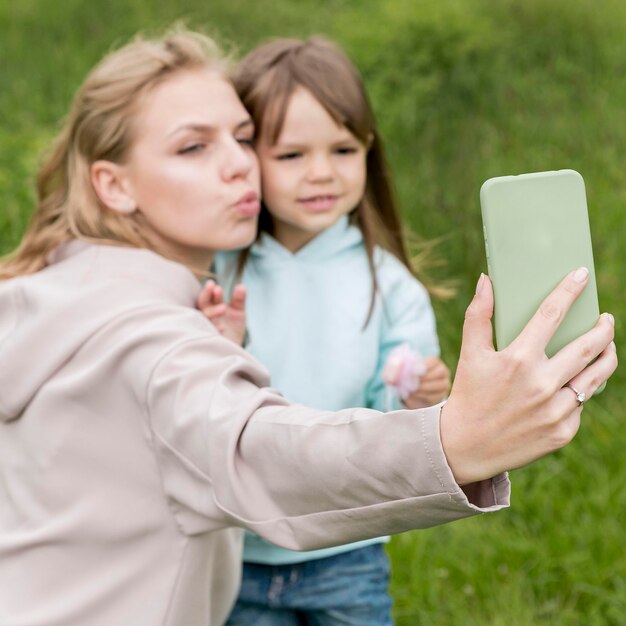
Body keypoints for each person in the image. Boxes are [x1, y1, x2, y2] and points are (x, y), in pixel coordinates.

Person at [0, 27, 616, 626]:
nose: (240, 165)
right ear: (114, 184)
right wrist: (457, 439)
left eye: (243, 138)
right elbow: (260, 453)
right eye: (194, 147)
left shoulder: (51, 293)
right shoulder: (154, 339)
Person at [200, 37, 451, 625]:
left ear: (369, 151)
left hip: (347, 548)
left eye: (342, 149)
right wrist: (218, 344)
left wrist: (418, 397)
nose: (321, 174)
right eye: (290, 156)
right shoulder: (217, 269)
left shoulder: (390, 289)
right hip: (239, 546)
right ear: (246, 159)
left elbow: (395, 424)